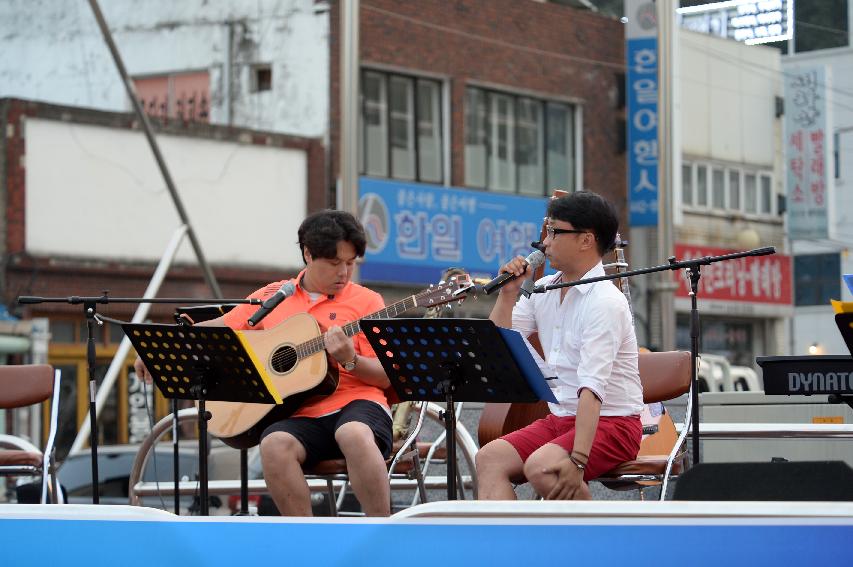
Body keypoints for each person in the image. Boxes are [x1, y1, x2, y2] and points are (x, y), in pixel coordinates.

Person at [134, 210, 394, 516]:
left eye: (351, 263)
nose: (344, 273)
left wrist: (350, 360)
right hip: (301, 411)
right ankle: (308, 548)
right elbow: (221, 328)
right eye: (335, 263)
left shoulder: (368, 301)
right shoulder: (274, 295)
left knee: (351, 433)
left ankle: (382, 532)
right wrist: (163, 350)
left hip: (358, 405)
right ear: (308, 254)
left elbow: (385, 378)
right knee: (273, 445)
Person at [475, 191, 644, 500]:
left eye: (555, 231)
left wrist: (577, 460)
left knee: (543, 466)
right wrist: (508, 294)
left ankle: (599, 545)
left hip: (614, 423)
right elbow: (498, 342)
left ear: (586, 240)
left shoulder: (605, 301)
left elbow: (592, 389)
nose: (545, 242)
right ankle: (513, 547)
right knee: (489, 458)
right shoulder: (543, 289)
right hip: (561, 418)